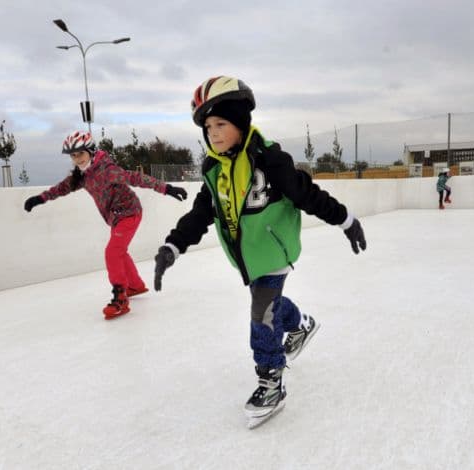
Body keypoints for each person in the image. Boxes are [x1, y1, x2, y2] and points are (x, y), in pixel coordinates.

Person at [152, 76, 367, 427]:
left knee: (262, 313)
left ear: (240, 122)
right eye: (208, 127)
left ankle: (271, 381)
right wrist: (173, 246)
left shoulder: (269, 159)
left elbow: (305, 194)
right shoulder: (213, 170)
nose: (213, 134)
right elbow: (201, 213)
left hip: (274, 249)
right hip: (248, 257)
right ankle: (300, 324)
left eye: (221, 124)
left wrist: (345, 219)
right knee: (270, 305)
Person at [24, 131, 188, 319]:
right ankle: (135, 285)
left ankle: (120, 299)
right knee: (120, 251)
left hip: (130, 212)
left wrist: (167, 188)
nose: (77, 159)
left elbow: (135, 178)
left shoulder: (107, 169)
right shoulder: (81, 176)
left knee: (112, 252)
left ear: (91, 151)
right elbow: (62, 188)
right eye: (73, 155)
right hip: (116, 217)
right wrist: (40, 198)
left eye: (81, 154)